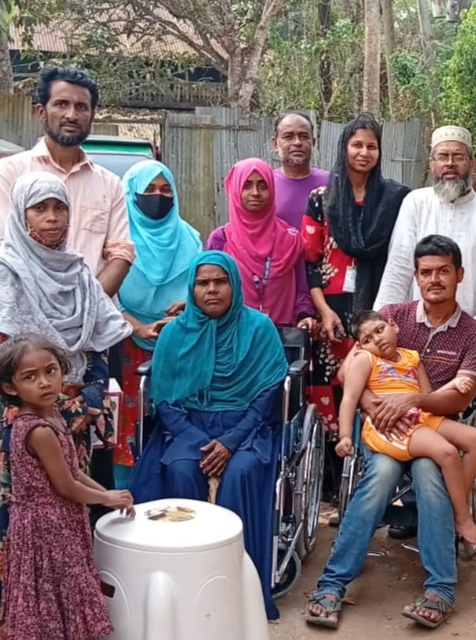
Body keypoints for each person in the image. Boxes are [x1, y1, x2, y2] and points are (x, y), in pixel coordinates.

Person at [0, 172, 131, 640]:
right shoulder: (3, 270)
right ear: (21, 216)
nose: (53, 218)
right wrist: (62, 404)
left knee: (69, 529)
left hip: (78, 416)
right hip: (21, 421)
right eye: (40, 208)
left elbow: (99, 344)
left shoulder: (77, 272)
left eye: (60, 207)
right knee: (16, 535)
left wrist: (91, 395)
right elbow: (3, 358)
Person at [306, 235, 476, 631]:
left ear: (460, 275)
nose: (434, 279)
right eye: (426, 272)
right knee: (382, 476)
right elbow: (348, 370)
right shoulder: (392, 316)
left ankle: (440, 589)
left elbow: (461, 397)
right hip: (384, 430)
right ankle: (332, 584)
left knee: (429, 474)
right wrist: (375, 405)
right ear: (416, 276)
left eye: (443, 271)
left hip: (430, 426)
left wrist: (413, 401)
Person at [129, 251, 289, 621]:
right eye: (203, 283)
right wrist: (200, 441)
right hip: (187, 427)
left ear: (234, 284)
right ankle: (185, 584)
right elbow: (165, 400)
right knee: (182, 470)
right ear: (192, 288)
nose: (212, 289)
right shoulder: (175, 333)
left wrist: (230, 442)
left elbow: (267, 396)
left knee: (241, 473)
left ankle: (237, 588)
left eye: (220, 281)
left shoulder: (259, 328)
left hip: (246, 428)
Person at [0, 335, 135, 640]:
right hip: (46, 528)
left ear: (63, 369)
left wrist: (106, 493)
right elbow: (66, 486)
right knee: (55, 593)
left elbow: (73, 470)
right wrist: (106, 498)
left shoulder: (52, 414)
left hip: (62, 521)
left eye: (51, 370)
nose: (45, 382)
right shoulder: (38, 430)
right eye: (30, 377)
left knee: (64, 590)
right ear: (10, 388)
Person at [335, 310, 476, 547]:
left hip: (419, 416)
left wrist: (454, 384)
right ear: (361, 347)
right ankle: (461, 518)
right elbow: (349, 398)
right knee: (447, 453)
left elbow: (427, 397)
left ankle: (450, 508)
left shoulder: (412, 357)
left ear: (393, 326)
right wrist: (345, 436)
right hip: (392, 426)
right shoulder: (366, 360)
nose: (377, 339)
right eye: (367, 340)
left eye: (379, 330)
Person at [0, 66, 134, 295]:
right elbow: (13, 247)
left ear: (92, 116)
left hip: (96, 311)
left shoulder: (110, 184)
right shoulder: (10, 173)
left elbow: (121, 254)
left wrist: (87, 307)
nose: (71, 115)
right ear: (41, 111)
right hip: (31, 307)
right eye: (61, 104)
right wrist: (55, 309)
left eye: (81, 107)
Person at [303, 113, 410, 435]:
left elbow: (403, 256)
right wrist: (323, 311)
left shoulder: (396, 199)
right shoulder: (322, 199)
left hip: (377, 311)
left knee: (377, 384)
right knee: (331, 387)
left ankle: (374, 450)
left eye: (371, 147)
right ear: (344, 148)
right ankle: (333, 458)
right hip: (331, 314)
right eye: (357, 145)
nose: (364, 153)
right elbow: (310, 262)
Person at [115, 160, 203, 488]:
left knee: (175, 428)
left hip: (179, 346)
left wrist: (187, 313)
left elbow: (203, 289)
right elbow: (103, 295)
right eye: (149, 190)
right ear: (131, 194)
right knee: (124, 431)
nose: (158, 196)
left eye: (166, 190)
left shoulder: (191, 239)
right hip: (124, 346)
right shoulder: (117, 240)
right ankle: (124, 500)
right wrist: (136, 326)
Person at [374, 125, 476, 335]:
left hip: (468, 332)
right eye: (443, 157)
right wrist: (381, 323)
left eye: (458, 157)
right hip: (415, 330)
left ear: (471, 162)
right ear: (432, 163)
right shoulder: (415, 203)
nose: (450, 163)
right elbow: (399, 266)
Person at [207, 158, 314, 330]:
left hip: (281, 336)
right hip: (233, 333)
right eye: (247, 185)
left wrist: (304, 316)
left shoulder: (290, 239)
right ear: (235, 190)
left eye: (263, 186)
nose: (255, 192)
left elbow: (302, 291)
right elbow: (210, 289)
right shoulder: (221, 239)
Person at [270, 111, 330, 227]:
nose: (297, 142)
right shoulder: (264, 185)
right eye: (288, 137)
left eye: (304, 136)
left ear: (313, 143)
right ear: (276, 144)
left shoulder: (332, 183)